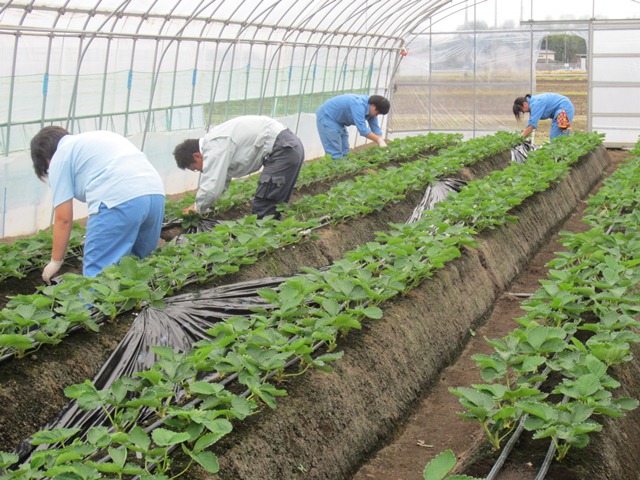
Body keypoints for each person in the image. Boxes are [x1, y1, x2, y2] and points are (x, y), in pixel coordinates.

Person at [30, 127, 165, 283]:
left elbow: (63, 219)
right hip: (155, 195)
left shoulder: (59, 158)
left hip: (117, 199)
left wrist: (55, 261)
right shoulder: (97, 138)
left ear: (45, 158)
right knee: (138, 268)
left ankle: (93, 306)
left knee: (99, 278)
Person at [173, 115, 304, 219]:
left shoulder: (215, 146)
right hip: (290, 147)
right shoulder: (217, 141)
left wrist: (197, 208)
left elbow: (212, 184)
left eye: (195, 168)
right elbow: (221, 181)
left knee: (263, 206)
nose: (199, 171)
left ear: (196, 156)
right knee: (274, 205)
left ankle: (262, 246)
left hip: (283, 150)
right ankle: (274, 242)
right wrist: (201, 205)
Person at [316, 94, 390, 160]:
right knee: (334, 153)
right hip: (327, 118)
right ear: (373, 106)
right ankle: (334, 171)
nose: (376, 115)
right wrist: (378, 140)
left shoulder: (371, 108)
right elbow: (362, 130)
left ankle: (343, 169)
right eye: (377, 113)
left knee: (345, 150)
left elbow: (375, 129)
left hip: (339, 122)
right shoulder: (358, 104)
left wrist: (382, 143)